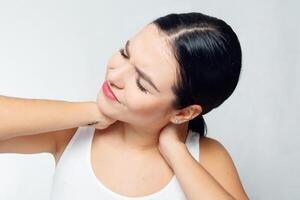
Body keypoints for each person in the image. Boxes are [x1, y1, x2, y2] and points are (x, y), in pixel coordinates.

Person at [0, 12, 249, 199]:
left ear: (184, 112)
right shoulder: (71, 134)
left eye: (141, 83)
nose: (115, 75)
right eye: (125, 53)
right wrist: (92, 112)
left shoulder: (205, 157)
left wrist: (175, 151)